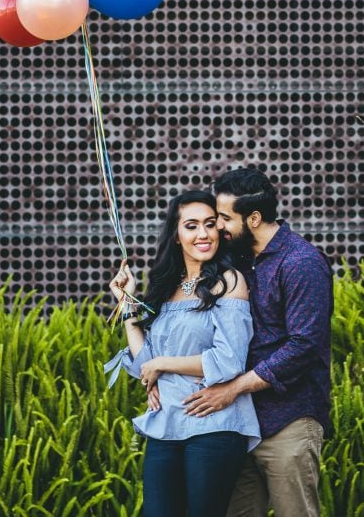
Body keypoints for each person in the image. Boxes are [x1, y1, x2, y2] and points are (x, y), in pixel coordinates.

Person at [181, 168, 333, 517]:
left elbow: (303, 346)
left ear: (253, 217)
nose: (217, 226)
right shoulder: (237, 259)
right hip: (239, 424)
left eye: (223, 218)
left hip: (288, 420)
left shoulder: (301, 263)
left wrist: (233, 388)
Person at [105, 189, 261, 517]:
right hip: (167, 422)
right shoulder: (166, 286)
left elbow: (229, 360)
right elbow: (145, 365)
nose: (202, 234)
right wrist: (126, 303)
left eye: (209, 224)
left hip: (214, 423)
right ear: (176, 235)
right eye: (191, 226)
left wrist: (164, 363)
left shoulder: (229, 281)